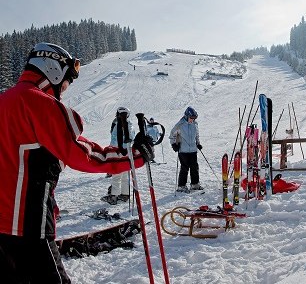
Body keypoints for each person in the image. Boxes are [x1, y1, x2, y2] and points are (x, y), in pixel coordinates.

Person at [0, 43, 154, 284]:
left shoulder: (5, 101)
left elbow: (21, 167)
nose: (64, 89)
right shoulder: (40, 104)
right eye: (65, 82)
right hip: (29, 229)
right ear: (53, 69)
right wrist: (136, 156)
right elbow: (86, 155)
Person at [101, 107, 136, 205]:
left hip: (117, 151)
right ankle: (125, 194)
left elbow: (115, 138)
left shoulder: (118, 124)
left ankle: (114, 196)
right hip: (126, 151)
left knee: (116, 174)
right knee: (124, 174)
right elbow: (131, 137)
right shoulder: (129, 124)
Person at [170, 106, 202, 192]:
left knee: (194, 167)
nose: (192, 120)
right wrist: (174, 145)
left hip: (193, 150)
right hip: (183, 150)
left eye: (194, 118)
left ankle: (195, 184)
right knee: (184, 168)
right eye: (191, 118)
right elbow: (172, 135)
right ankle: (181, 186)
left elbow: (197, 135)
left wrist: (198, 144)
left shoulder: (195, 124)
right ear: (186, 116)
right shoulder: (180, 125)